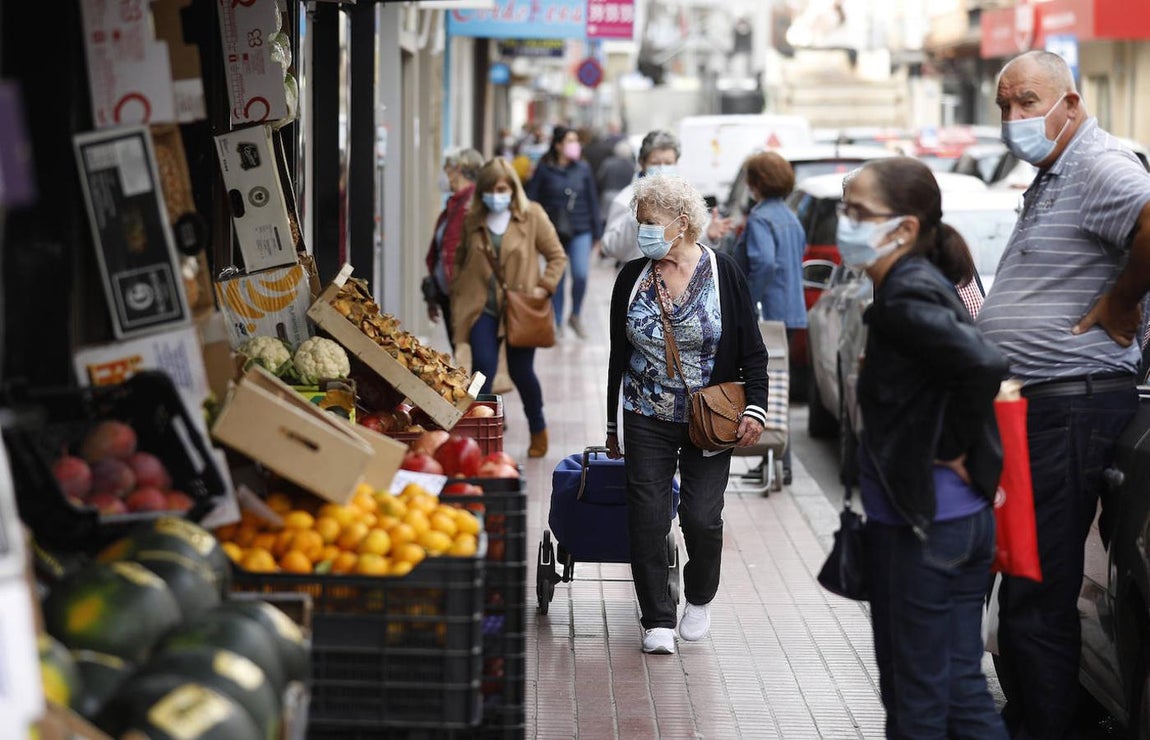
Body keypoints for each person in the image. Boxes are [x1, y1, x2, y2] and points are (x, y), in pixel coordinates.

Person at [977, 50, 1150, 739]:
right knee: (1024, 583)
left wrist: (1120, 302)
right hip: (1039, 407)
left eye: (1026, 102)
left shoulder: (1099, 164)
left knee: (1038, 591)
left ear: (1070, 105)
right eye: (1004, 106)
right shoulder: (1054, 174)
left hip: (1070, 406)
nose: (1013, 119)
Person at [843, 157, 1010, 738]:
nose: (846, 224)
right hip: (950, 522)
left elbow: (984, 363)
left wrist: (954, 446)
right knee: (960, 691)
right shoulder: (917, 284)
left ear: (905, 229)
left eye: (858, 213)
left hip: (925, 526)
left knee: (917, 702)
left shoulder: (905, 296)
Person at [604, 174, 769, 655]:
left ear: (680, 223)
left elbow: (752, 351)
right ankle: (656, 618)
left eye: (649, 223)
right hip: (645, 411)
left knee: (701, 517)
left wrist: (754, 408)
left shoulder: (724, 273)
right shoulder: (632, 277)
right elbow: (618, 354)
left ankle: (698, 596)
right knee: (649, 516)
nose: (642, 232)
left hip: (708, 418)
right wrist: (612, 425)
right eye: (639, 224)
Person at [451, 158, 568, 458]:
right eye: (489, 189)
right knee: (484, 370)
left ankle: (538, 427)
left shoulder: (532, 216)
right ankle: (482, 438)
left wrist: (544, 288)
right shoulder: (472, 219)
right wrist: (458, 294)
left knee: (521, 371)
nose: (496, 195)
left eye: (501, 188)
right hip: (482, 309)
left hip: (520, 309)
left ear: (513, 189)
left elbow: (557, 256)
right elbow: (460, 258)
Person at [732, 151, 807, 485]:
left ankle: (778, 461)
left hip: (767, 314)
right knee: (778, 388)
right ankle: (776, 461)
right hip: (791, 311)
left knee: (762, 388)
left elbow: (763, 263)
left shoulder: (761, 218)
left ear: (755, 183)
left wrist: (748, 299)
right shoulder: (791, 217)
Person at [600, 129, 733, 264]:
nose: (662, 168)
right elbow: (609, 247)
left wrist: (709, 235)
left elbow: (693, 244)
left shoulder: (687, 197)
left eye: (668, 163)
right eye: (656, 163)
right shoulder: (625, 199)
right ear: (642, 162)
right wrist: (638, 218)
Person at [525, 125, 603, 339]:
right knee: (557, 277)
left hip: (581, 229)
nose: (574, 145)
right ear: (558, 145)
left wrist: (598, 233)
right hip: (553, 231)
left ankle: (575, 315)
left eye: (575, 141)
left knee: (580, 274)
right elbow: (531, 199)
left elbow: (593, 200)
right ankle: (557, 320)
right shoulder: (544, 168)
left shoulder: (583, 168)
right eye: (569, 141)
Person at [424, 148, 484, 352]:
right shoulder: (452, 206)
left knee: (469, 358)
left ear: (458, 170)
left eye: (447, 169)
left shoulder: (471, 205)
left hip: (463, 297)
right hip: (447, 294)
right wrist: (433, 295)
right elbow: (440, 252)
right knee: (461, 356)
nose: (444, 175)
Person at [596, 139, 636, 222]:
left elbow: (600, 178)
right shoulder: (632, 165)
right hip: (626, 198)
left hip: (609, 196)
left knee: (607, 220)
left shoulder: (608, 163)